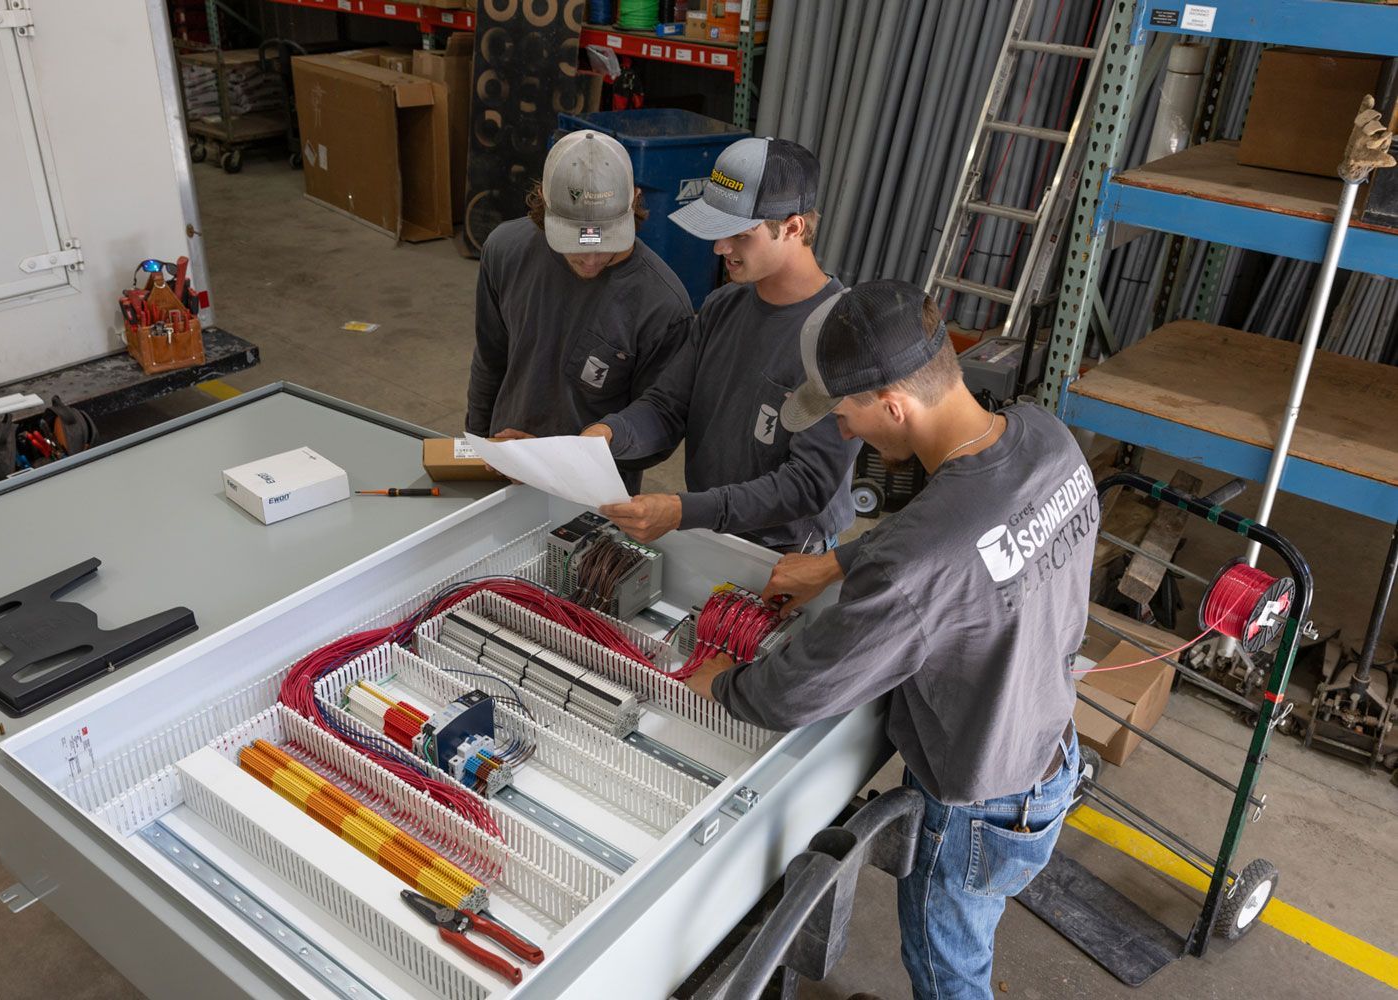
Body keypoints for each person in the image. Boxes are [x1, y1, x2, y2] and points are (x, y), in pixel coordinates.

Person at [685, 279, 1096, 1000]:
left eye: (845, 414)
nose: (844, 434)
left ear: (893, 404)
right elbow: (964, 534)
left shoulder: (917, 564)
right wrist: (838, 562)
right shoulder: (1046, 437)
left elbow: (798, 691)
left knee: (948, 974)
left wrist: (721, 683)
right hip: (1049, 753)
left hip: (976, 804)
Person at [583, 137, 858, 552]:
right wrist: (608, 434)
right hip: (712, 529)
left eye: (740, 235)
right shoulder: (722, 306)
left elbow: (806, 484)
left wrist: (684, 511)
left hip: (785, 553)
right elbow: (667, 405)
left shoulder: (840, 336)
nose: (719, 248)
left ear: (792, 227)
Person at [466, 129, 693, 493]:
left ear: (634, 200)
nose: (590, 259)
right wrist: (476, 446)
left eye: (606, 241)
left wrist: (578, 453)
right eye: (574, 242)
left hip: (594, 493)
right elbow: (491, 359)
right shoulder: (505, 251)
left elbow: (662, 422)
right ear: (544, 201)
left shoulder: (662, 305)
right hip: (505, 471)